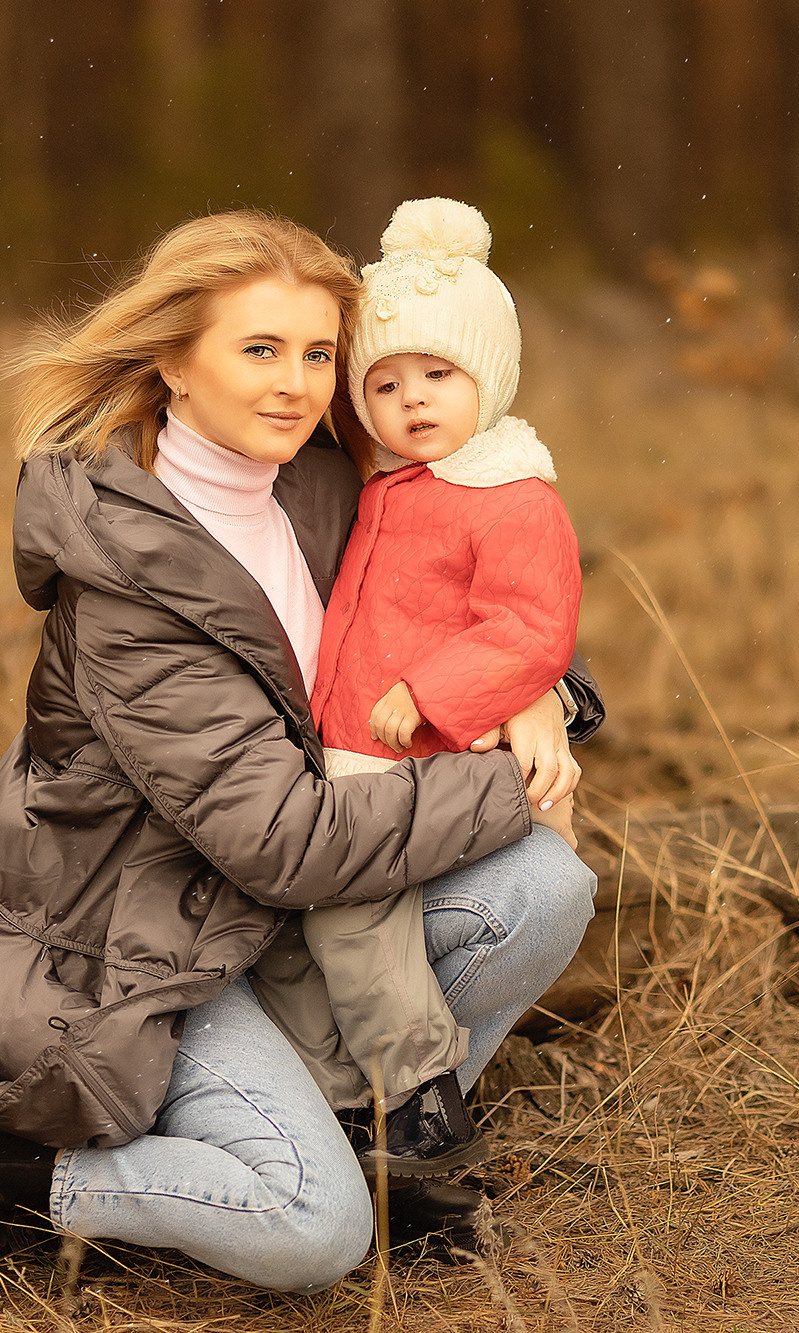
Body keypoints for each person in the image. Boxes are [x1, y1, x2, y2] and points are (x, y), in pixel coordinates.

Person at [0, 210, 601, 1323]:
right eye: (257, 350)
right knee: (310, 1228)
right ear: (171, 363)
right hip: (135, 954)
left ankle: (376, 1134)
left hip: (261, 914)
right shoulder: (125, 573)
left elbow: (481, 608)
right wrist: (509, 781)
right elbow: (284, 844)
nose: (294, 384)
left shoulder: (323, 487)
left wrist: (543, 694)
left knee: (544, 890)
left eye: (318, 354)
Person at [248, 199, 581, 1182]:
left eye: (439, 375)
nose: (414, 401)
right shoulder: (391, 480)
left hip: (410, 755)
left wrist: (440, 692)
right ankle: (352, 1106)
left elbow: (529, 624)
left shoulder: (505, 490)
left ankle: (418, 1096)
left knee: (352, 913)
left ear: (492, 376)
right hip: (348, 753)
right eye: (385, 383)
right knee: (328, 930)